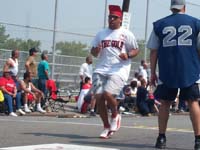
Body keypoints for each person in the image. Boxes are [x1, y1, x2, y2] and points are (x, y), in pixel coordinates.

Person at [147, 0, 200, 149]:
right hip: (189, 69)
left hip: (167, 69)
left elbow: (153, 50)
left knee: (165, 103)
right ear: (184, 6)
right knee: (193, 102)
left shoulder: (160, 24)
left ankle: (161, 138)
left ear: (171, 7)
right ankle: (198, 140)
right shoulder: (196, 23)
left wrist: (152, 72)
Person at [90, 5, 139, 138]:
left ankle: (116, 115)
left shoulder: (126, 33)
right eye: (110, 17)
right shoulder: (101, 33)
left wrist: (128, 55)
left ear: (120, 19)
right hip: (101, 68)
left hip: (119, 69)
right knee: (99, 97)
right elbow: (93, 52)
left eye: (114, 17)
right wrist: (96, 50)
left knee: (107, 94)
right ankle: (106, 126)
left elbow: (135, 50)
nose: (111, 19)